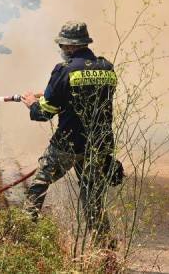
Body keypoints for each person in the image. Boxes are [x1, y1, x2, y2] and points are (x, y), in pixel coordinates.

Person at [17, 21, 119, 246]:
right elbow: (88, 95)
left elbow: (45, 113)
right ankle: (104, 247)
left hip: (68, 143)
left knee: (40, 183)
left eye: (62, 45)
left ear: (70, 46)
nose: (61, 49)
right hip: (99, 144)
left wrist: (32, 102)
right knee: (93, 196)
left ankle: (24, 237)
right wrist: (52, 93)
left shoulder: (64, 70)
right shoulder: (107, 68)